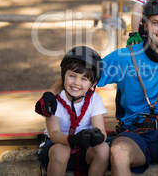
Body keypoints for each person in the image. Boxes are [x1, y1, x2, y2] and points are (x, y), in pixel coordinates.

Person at [35, 0, 158, 175]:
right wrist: (50, 94)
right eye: (155, 23)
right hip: (134, 133)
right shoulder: (124, 57)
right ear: (145, 26)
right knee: (118, 152)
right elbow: (82, 74)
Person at [37, 46, 110, 176]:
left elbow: (101, 130)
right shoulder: (54, 100)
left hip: (83, 151)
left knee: (104, 149)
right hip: (56, 147)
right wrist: (73, 139)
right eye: (72, 76)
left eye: (84, 79)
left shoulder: (95, 100)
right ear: (63, 75)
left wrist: (99, 136)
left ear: (92, 84)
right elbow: (54, 134)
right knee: (62, 150)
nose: (76, 83)